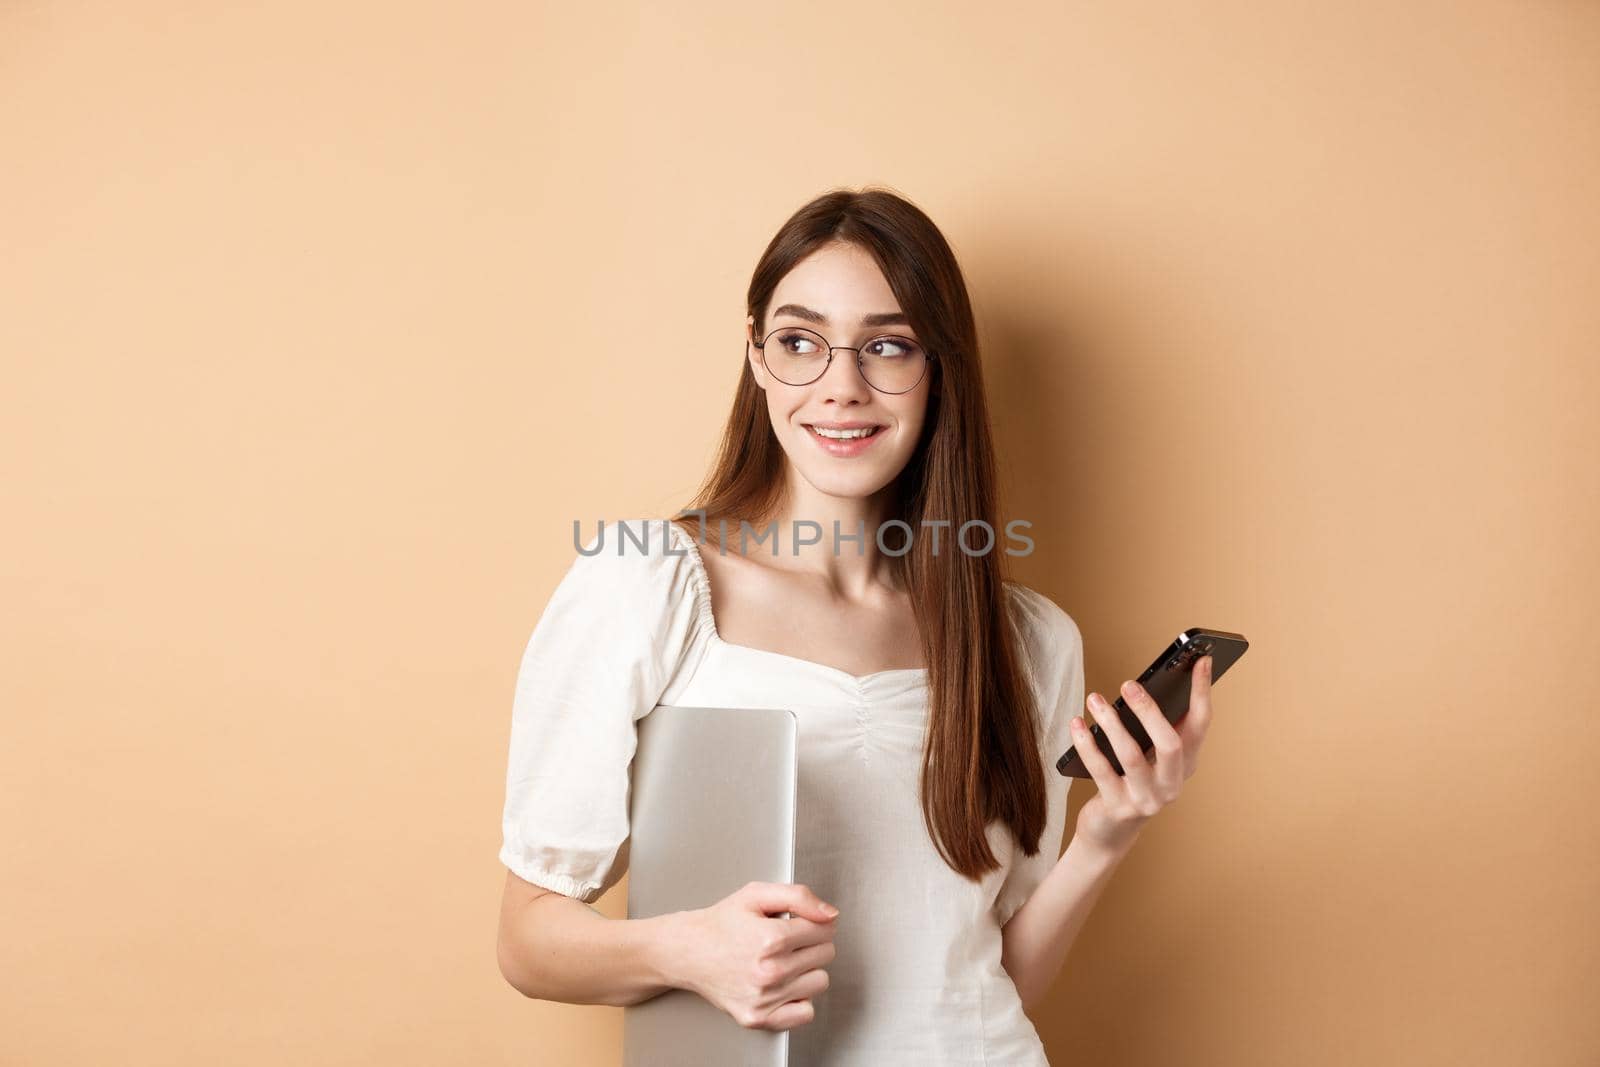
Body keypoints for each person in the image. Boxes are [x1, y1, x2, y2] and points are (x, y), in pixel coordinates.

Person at [495, 187, 1216, 1064]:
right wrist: (689, 951)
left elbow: (987, 983)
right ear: (756, 357)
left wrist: (1109, 832)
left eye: (887, 347)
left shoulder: (1026, 641)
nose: (842, 388)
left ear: (938, 369)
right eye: (800, 342)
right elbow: (527, 939)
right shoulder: (647, 583)